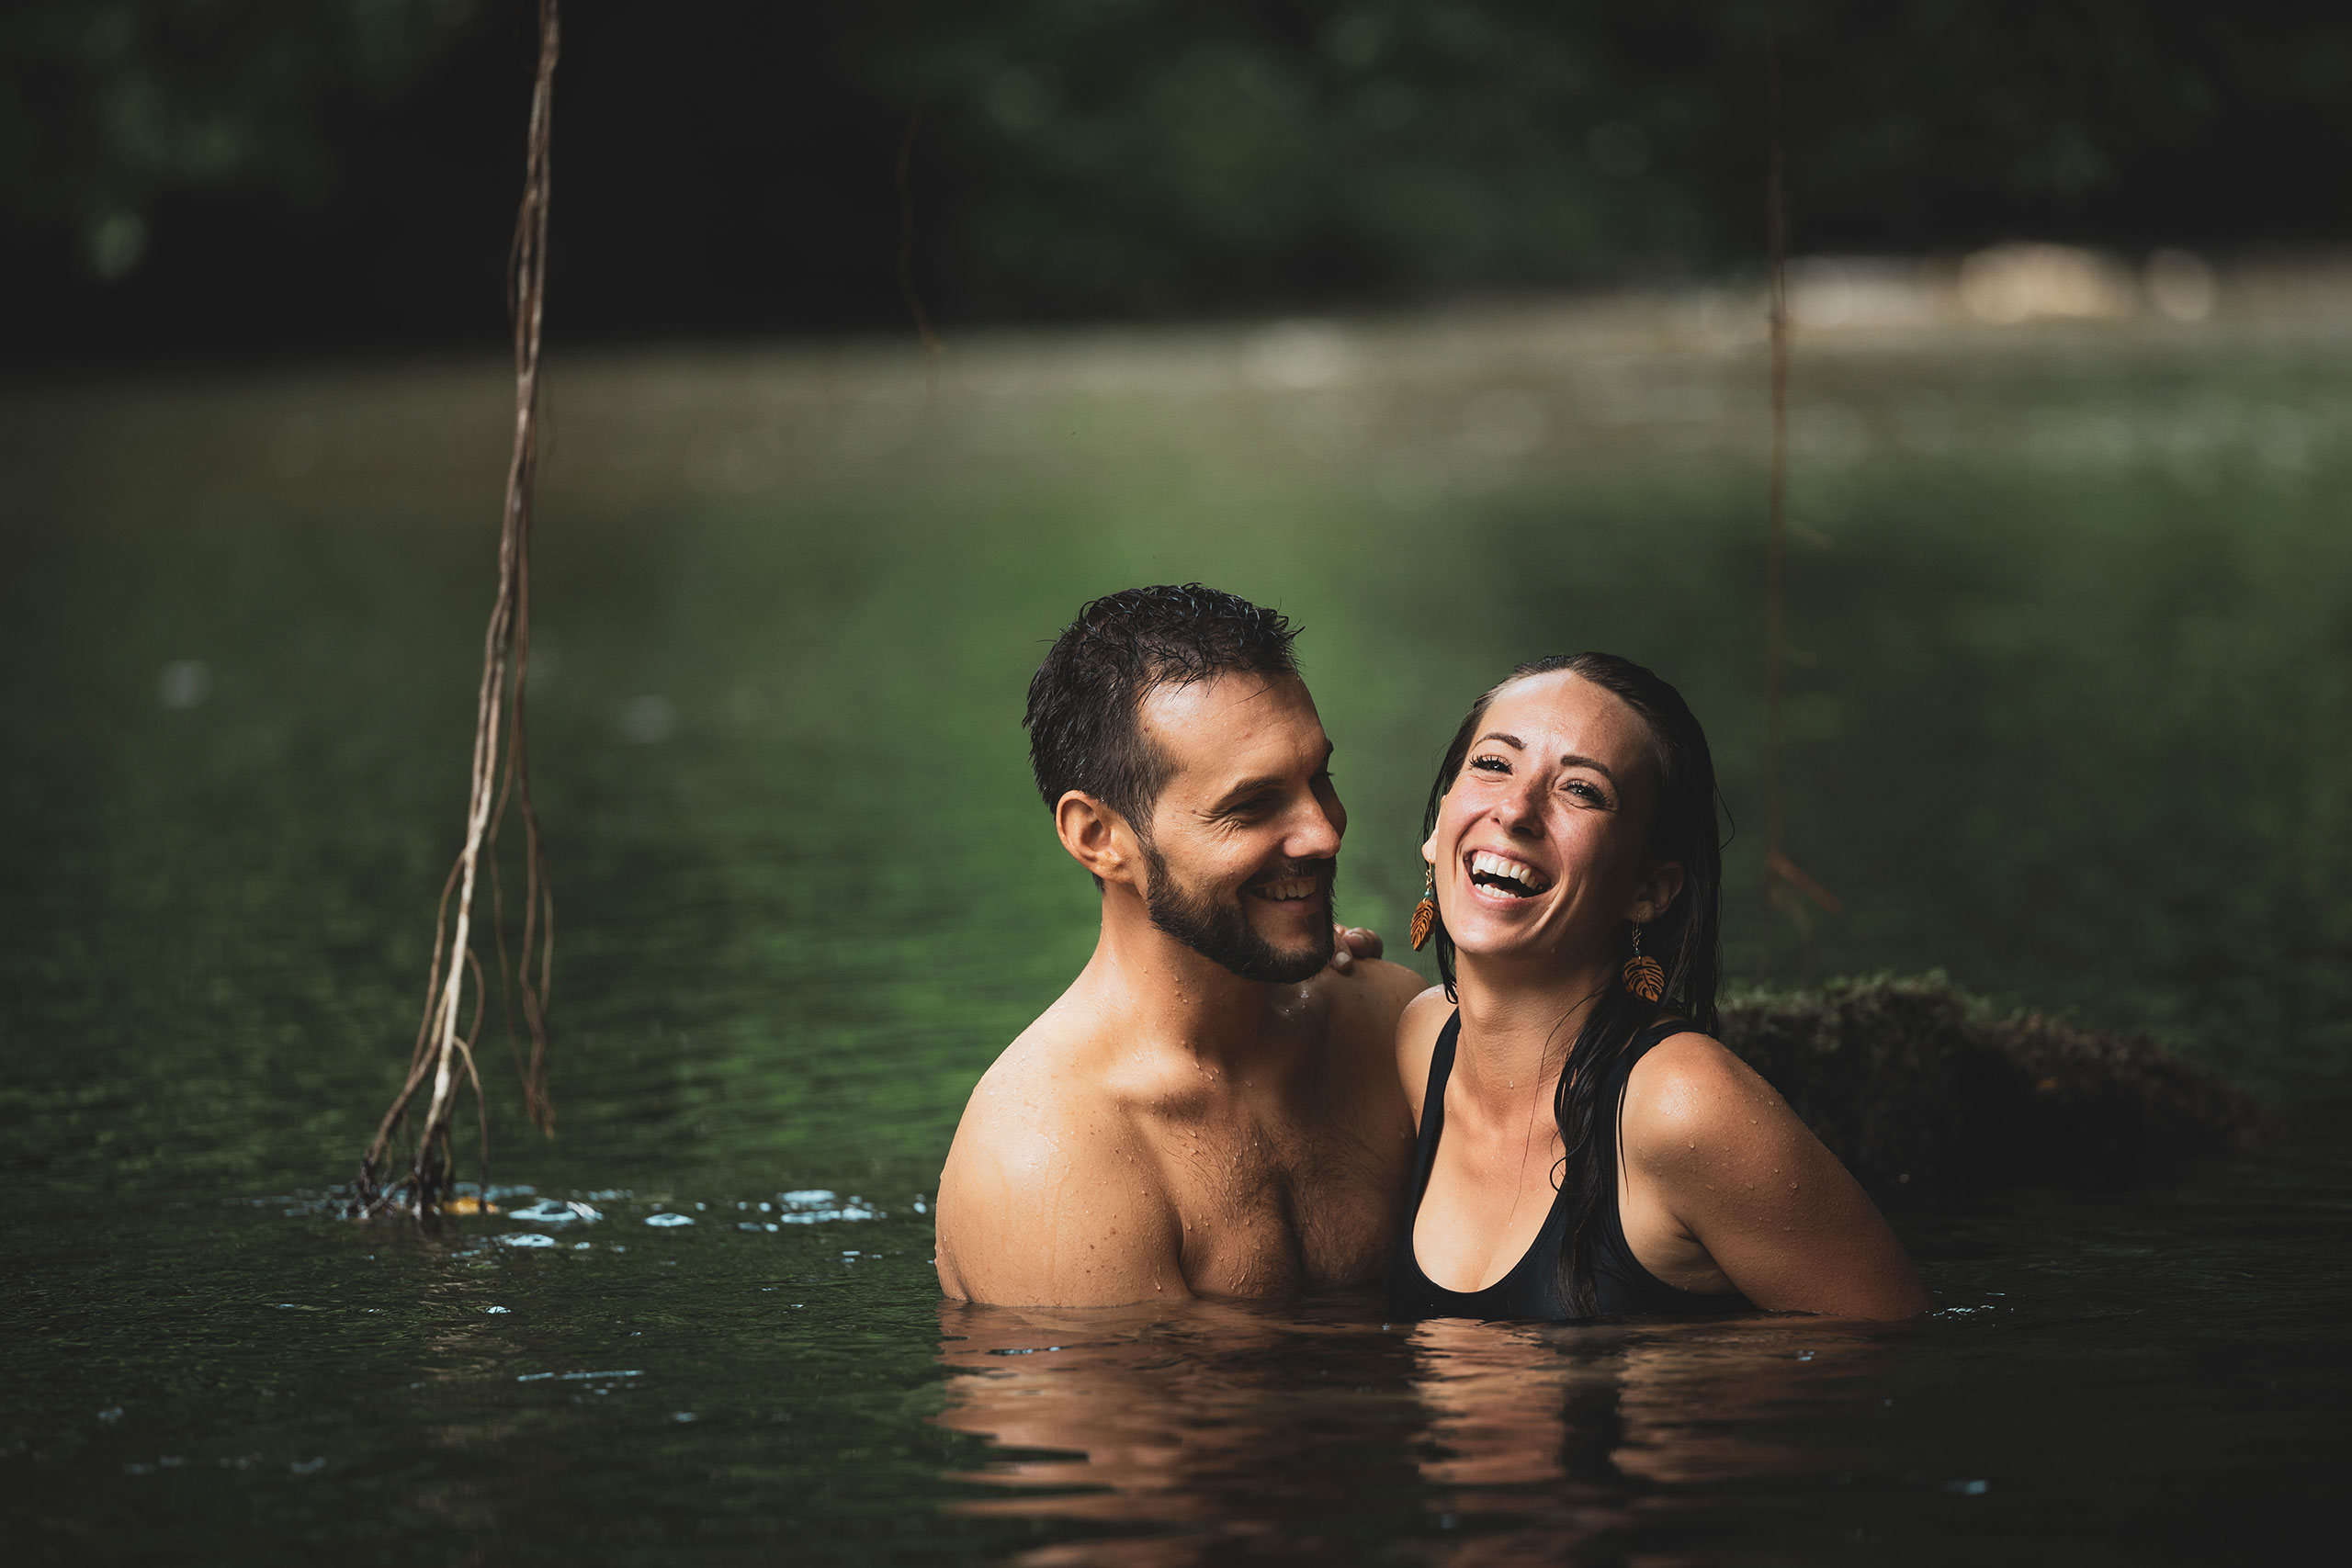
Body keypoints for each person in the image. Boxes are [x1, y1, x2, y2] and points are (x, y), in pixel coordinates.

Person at [1386, 653, 1929, 1320]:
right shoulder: (1421, 1040)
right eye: (1494, 764)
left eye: (1582, 790)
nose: (1517, 810)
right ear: (1439, 825)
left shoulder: (1681, 1104)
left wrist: (1637, 1371)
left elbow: (1887, 1335)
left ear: (1649, 890)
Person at [936, 585, 1426, 1306]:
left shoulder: (1394, 1028)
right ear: (1099, 838)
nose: (1324, 832)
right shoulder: (1049, 1160)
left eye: (1319, 776)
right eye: (1252, 805)